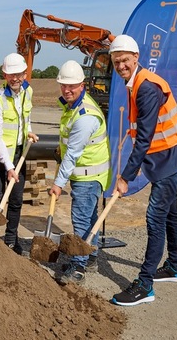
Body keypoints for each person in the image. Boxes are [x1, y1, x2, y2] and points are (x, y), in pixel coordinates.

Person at [108, 34, 177, 306]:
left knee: (155, 217)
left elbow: (145, 139)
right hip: (166, 154)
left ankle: (145, 285)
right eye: (116, 62)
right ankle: (175, 267)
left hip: (171, 155)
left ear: (136, 58)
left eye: (125, 60)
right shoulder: (135, 82)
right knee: (170, 210)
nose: (121, 65)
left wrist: (125, 177)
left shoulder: (146, 88)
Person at [49, 60, 111, 285]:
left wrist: (58, 183)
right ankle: (91, 257)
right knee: (90, 217)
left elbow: (73, 154)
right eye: (63, 85)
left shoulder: (85, 115)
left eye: (72, 86)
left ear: (82, 84)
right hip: (87, 173)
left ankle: (79, 267)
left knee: (81, 220)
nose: (67, 90)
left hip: (87, 174)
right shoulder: (74, 105)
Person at [0, 53, 39, 254]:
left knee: (15, 200)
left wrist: (28, 130)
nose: (15, 78)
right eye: (10, 74)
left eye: (19, 74)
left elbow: (26, 115)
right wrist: (9, 167)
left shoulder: (27, 91)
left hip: (18, 155)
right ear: (4, 74)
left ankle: (10, 240)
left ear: (25, 73)